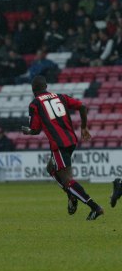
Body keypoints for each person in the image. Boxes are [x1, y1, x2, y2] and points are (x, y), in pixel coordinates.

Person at [21, 75, 103, 220]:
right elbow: (82, 106)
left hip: (59, 144)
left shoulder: (35, 104)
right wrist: (84, 128)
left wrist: (27, 131)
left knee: (67, 180)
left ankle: (94, 207)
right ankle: (71, 195)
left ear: (33, 90)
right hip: (71, 140)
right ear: (46, 87)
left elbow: (35, 130)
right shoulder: (60, 97)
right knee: (51, 168)